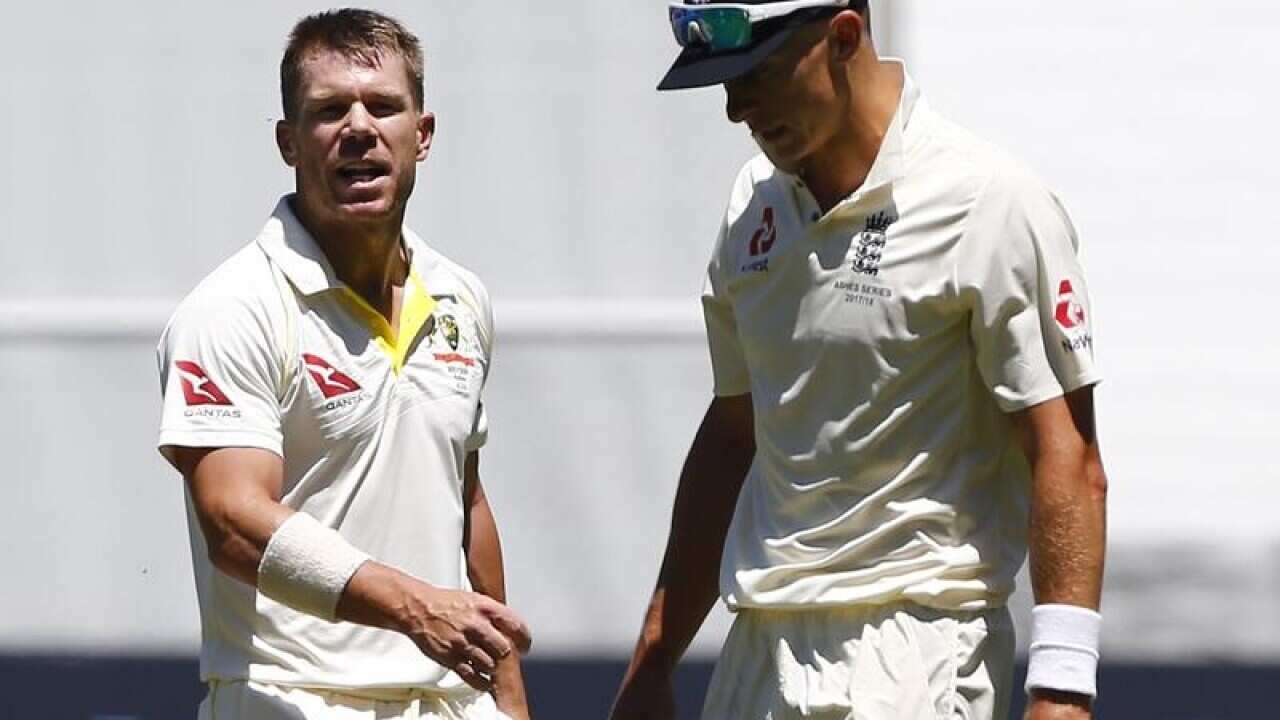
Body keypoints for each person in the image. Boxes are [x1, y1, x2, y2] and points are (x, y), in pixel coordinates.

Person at [611, 2, 1108, 719]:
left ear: (844, 35)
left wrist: (1062, 687)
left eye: (757, 74)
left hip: (920, 652)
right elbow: (733, 433)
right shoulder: (752, 206)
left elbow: (1069, 454)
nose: (736, 109)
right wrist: (655, 657)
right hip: (758, 650)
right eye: (724, 84)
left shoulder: (991, 201)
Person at [156, 9, 530, 719]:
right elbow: (233, 522)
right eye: (329, 110)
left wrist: (507, 696)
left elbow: (464, 498)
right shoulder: (233, 307)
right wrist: (413, 608)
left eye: (384, 106)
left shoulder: (460, 296)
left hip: (449, 701)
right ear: (289, 142)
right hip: (291, 698)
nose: (359, 127)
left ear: (422, 135)